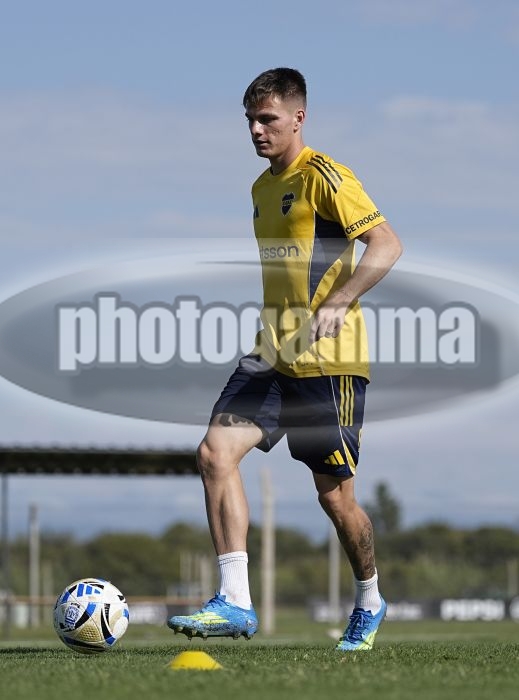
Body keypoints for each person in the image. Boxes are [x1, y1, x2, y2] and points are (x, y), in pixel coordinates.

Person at [168, 67, 403, 651]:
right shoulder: (260, 189)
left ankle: (369, 597)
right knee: (214, 453)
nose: (256, 130)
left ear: (299, 118)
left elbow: (387, 243)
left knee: (335, 498)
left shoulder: (326, 176)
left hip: (330, 362)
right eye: (250, 120)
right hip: (272, 353)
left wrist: (341, 300)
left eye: (267, 119)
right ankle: (235, 601)